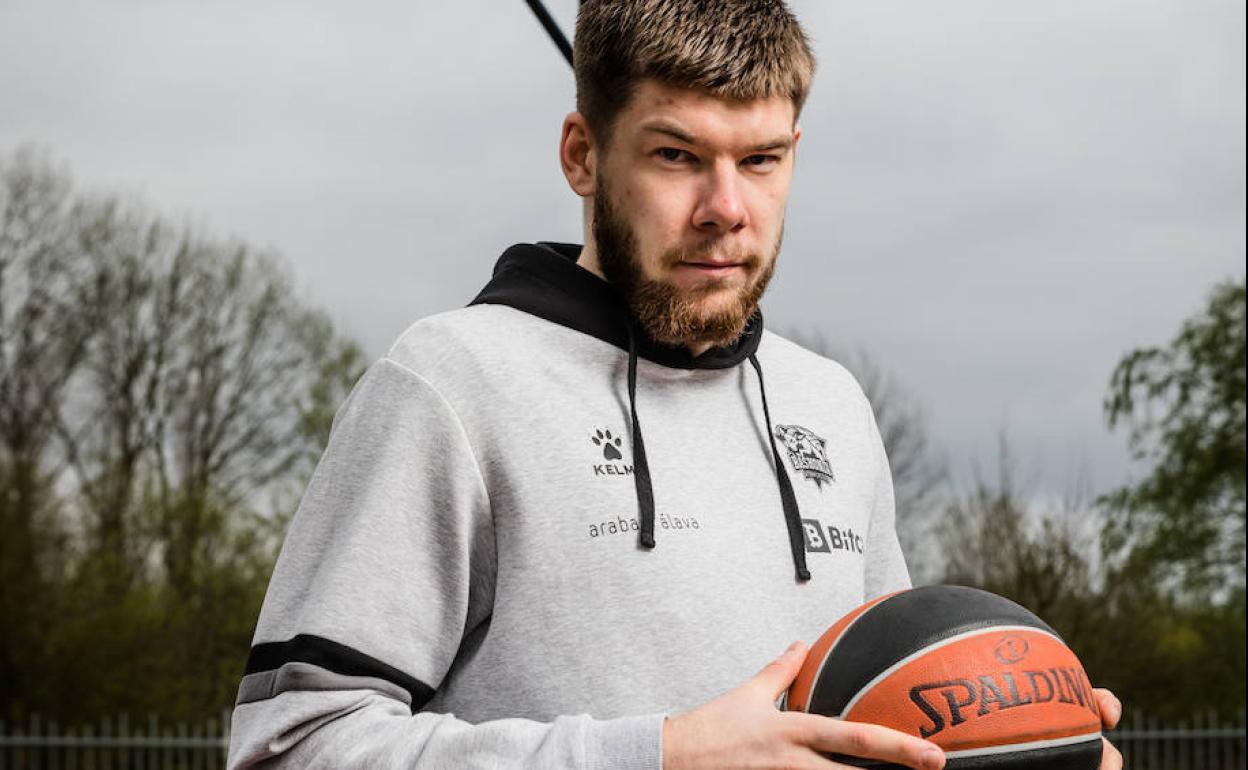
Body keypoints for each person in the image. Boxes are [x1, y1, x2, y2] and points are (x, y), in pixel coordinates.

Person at [227, 1, 1123, 768]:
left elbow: (878, 719)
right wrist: (659, 753)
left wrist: (1014, 743)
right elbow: (295, 744)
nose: (726, 208)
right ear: (583, 156)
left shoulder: (832, 407)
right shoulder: (451, 385)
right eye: (676, 156)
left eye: (762, 160)